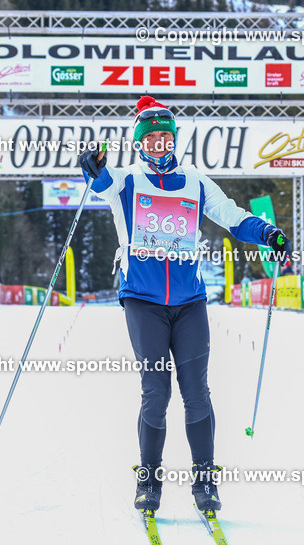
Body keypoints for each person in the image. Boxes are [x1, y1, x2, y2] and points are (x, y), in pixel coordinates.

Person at [77, 95, 292, 515]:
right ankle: (150, 481)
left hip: (190, 301)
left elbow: (231, 216)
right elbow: (100, 182)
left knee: (197, 392)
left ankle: (205, 481)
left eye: (165, 136)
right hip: (143, 300)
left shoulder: (194, 180)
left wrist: (268, 233)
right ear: (139, 143)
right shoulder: (127, 180)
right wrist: (92, 167)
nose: (159, 144)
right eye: (151, 138)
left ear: (174, 140)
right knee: (156, 392)